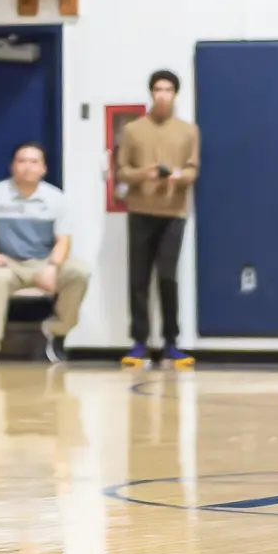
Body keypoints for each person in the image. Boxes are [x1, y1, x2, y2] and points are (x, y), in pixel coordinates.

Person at [0, 142, 88, 364]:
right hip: (9, 263)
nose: (27, 167)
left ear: (43, 169)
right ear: (12, 166)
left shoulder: (56, 198)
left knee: (79, 272)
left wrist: (52, 267)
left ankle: (56, 330)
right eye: (22, 161)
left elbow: (63, 240)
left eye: (34, 162)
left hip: (44, 262)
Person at [116, 69, 200, 368]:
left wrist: (177, 176)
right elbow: (122, 171)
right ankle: (139, 342)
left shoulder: (189, 131)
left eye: (168, 90)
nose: (162, 95)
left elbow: (192, 170)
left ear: (175, 94)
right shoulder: (132, 130)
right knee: (138, 277)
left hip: (173, 213)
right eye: (158, 89)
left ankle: (171, 343)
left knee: (167, 277)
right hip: (140, 211)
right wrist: (145, 173)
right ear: (151, 93)